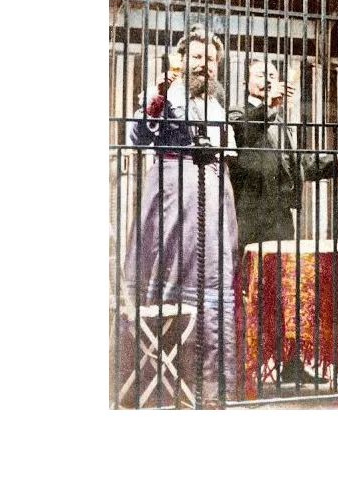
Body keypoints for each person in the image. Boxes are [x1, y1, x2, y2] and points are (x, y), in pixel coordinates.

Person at [123, 24, 239, 409]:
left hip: (215, 200)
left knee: (212, 280)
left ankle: (207, 388)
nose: (204, 65)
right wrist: (158, 94)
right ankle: (158, 385)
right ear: (182, 58)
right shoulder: (163, 96)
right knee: (167, 274)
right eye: (198, 57)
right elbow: (138, 135)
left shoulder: (218, 106)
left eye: (211, 60)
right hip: (172, 198)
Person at [228, 57, 338, 384]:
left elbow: (293, 166)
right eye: (259, 75)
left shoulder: (280, 121)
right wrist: (270, 105)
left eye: (271, 74)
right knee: (249, 290)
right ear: (247, 81)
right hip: (249, 217)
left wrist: (332, 162)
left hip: (280, 218)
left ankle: (292, 363)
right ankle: (243, 367)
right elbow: (248, 137)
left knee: (289, 291)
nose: (266, 79)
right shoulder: (236, 114)